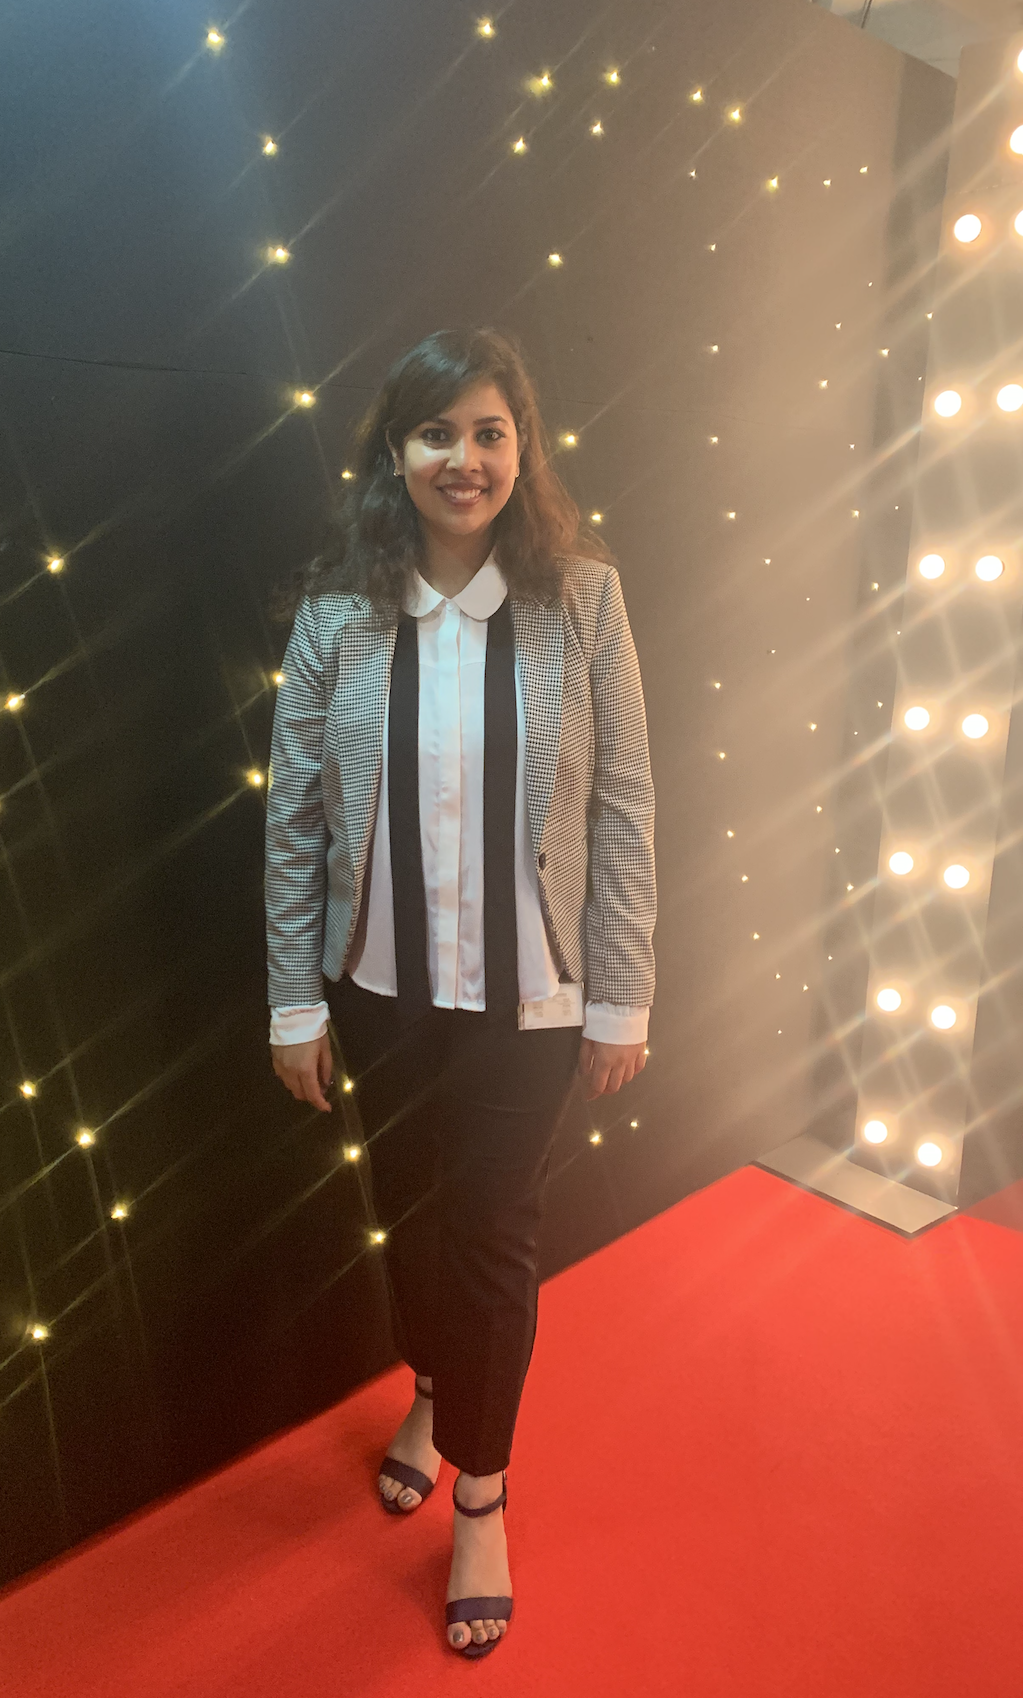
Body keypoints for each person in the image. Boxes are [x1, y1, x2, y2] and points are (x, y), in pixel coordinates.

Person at [264, 326, 656, 1658]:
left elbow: (623, 802)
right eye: (439, 432)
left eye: (490, 432)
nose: (466, 457)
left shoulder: (582, 600)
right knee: (407, 1211)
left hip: (529, 1000)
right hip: (381, 991)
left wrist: (622, 992)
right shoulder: (337, 615)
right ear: (397, 450)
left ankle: (479, 1496)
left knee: (491, 1228)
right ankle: (432, 1390)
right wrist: (293, 1002)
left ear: (521, 449)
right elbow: (296, 826)